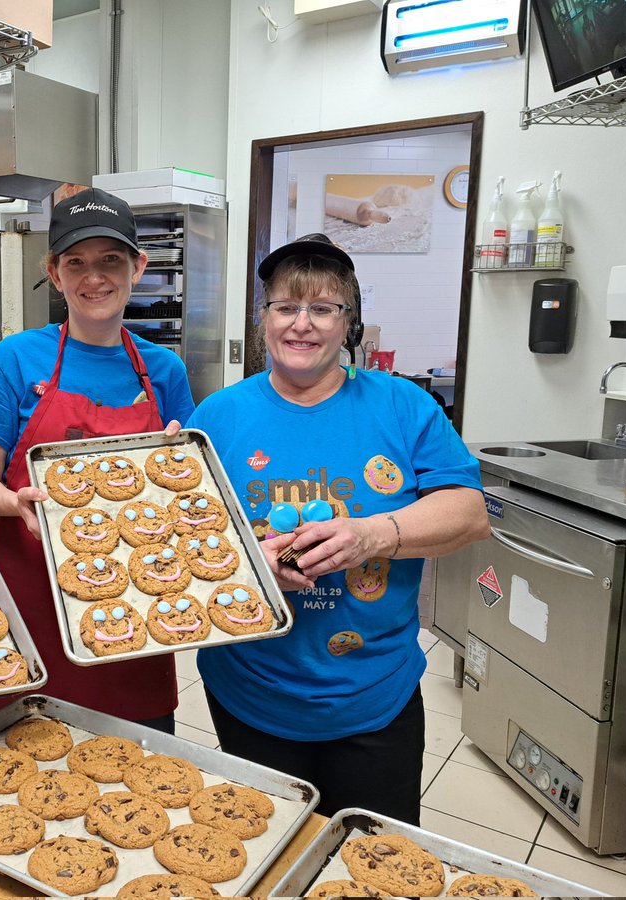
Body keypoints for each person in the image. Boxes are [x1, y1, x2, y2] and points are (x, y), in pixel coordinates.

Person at [187, 234, 488, 824]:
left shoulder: (402, 406)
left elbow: (469, 512)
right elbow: (188, 539)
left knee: (368, 865)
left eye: (323, 309)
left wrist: (373, 535)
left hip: (373, 696)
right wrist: (251, 564)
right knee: (268, 857)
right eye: (285, 308)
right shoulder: (218, 416)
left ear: (348, 323)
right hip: (250, 691)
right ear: (263, 320)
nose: (303, 325)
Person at [0, 187, 195, 731]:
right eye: (76, 262)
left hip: (136, 605)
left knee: (137, 779)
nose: (95, 277)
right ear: (54, 272)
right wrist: (14, 504)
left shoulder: (164, 370)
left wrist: (176, 479)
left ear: (139, 267)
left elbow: (185, 487)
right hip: (33, 594)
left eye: (111, 260)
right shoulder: (15, 358)